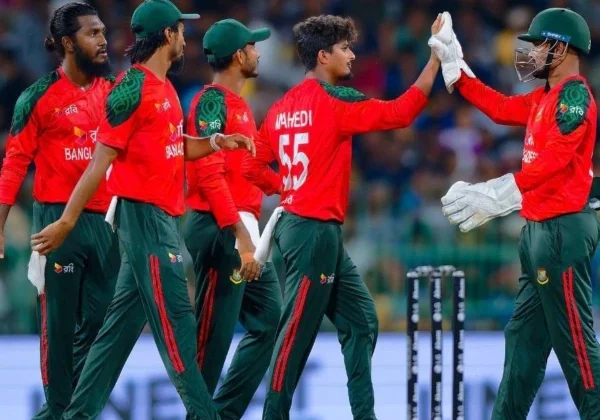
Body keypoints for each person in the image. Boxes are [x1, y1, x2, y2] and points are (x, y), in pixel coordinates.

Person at [30, 1, 257, 418]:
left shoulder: (164, 87)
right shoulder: (130, 88)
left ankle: (75, 415)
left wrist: (216, 142)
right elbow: (99, 162)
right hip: (144, 219)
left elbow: (172, 146)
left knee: (115, 336)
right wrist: (66, 221)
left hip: (161, 220)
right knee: (178, 329)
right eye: (181, 31)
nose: (186, 39)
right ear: (168, 35)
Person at [242, 14, 443, 419]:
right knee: (295, 336)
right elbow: (401, 113)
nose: (352, 55)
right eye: (345, 48)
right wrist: (436, 57)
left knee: (362, 320)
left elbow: (250, 165)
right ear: (323, 55)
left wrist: (285, 188)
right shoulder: (335, 101)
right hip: (312, 231)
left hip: (307, 228)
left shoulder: (280, 108)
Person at [433, 8, 600, 419]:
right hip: (539, 232)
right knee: (522, 341)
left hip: (561, 231)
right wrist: (455, 65)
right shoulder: (544, 97)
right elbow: (499, 107)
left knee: (576, 346)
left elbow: (557, 159)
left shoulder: (574, 95)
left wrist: (501, 193)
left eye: (541, 44)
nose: (533, 53)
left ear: (562, 48)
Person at [0, 3, 119, 418]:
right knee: (58, 327)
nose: (103, 40)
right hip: (55, 223)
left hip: (107, 220)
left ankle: (66, 411)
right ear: (68, 43)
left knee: (103, 323)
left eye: (103, 31)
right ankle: (59, 408)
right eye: (92, 33)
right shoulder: (37, 97)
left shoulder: (115, 92)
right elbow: (15, 161)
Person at [183, 18, 282, 420]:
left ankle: (220, 415)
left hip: (241, 227)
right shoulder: (212, 103)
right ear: (239, 56)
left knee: (269, 318)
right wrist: (240, 235)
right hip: (221, 228)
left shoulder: (238, 105)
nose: (258, 53)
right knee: (212, 340)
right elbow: (209, 176)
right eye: (253, 47)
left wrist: (289, 188)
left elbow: (247, 171)